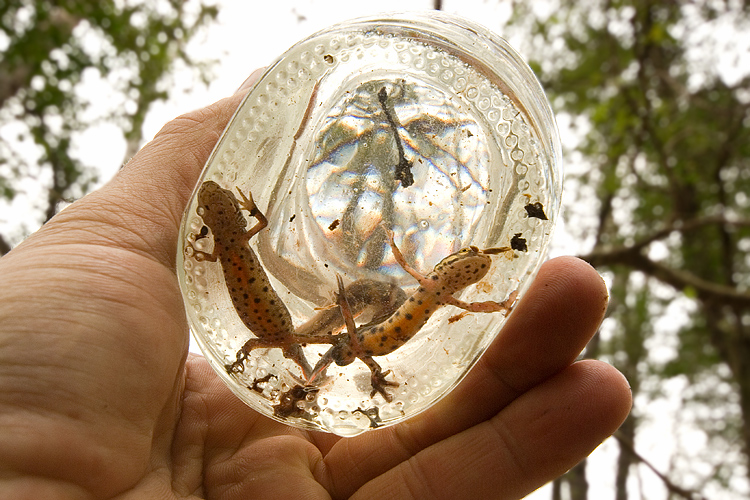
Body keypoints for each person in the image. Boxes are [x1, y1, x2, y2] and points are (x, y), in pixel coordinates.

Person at [0, 70, 631, 499]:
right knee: (297, 343)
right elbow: (278, 242)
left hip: (319, 334)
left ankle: (304, 376)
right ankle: (301, 376)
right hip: (292, 331)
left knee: (304, 343)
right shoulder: (234, 243)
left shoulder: (235, 246)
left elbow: (412, 283)